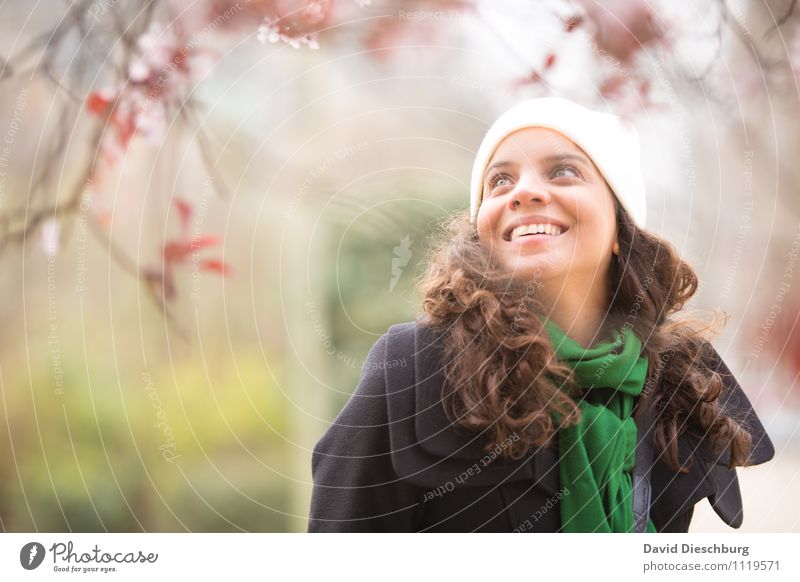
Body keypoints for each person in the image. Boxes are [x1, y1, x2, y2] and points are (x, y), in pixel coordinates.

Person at [307, 97, 775, 532]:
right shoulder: (414, 368)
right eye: (500, 180)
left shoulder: (682, 382)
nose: (524, 191)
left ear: (619, 225)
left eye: (564, 171)